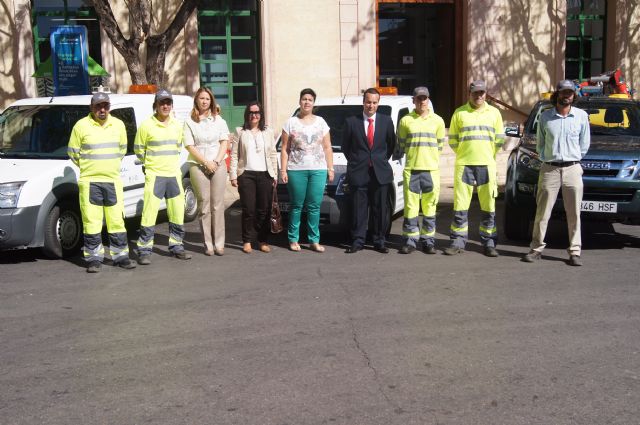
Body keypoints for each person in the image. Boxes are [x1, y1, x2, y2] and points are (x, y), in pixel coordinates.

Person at [522, 79, 590, 266]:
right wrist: (548, 158)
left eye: (570, 93)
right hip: (549, 168)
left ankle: (574, 252)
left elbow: (584, 145)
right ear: (557, 94)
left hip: (572, 169)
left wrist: (572, 159)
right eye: (563, 92)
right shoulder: (545, 116)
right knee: (542, 212)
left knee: (574, 212)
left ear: (574, 95)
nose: (567, 95)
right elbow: (540, 144)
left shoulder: (581, 116)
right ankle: (536, 249)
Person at [67, 92, 136, 273]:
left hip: (112, 179)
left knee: (116, 220)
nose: (102, 109)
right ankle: (94, 258)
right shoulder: (81, 126)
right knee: (92, 221)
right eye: (98, 106)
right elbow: (73, 153)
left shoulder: (118, 125)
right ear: (92, 108)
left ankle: (120, 256)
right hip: (90, 181)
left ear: (109, 107)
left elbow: (122, 149)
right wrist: (90, 167)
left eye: (105, 106)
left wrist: (108, 166)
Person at [444, 80, 505, 257]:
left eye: (482, 93)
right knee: (461, 205)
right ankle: (457, 241)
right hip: (465, 164)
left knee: (488, 205)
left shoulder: (494, 113)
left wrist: (486, 154)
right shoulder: (459, 113)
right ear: (469, 93)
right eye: (476, 93)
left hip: (486, 164)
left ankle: (489, 242)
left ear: (486, 94)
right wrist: (465, 153)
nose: (479, 96)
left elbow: (499, 140)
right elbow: (453, 140)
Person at [135, 89, 192, 264]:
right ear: (156, 106)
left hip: (173, 175)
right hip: (155, 175)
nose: (165, 106)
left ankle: (177, 246)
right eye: (162, 103)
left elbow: (179, 147)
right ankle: (144, 250)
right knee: (149, 214)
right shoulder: (146, 125)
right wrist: (151, 166)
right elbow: (138, 150)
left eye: (168, 103)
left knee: (176, 213)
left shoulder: (177, 125)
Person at [341, 88, 395, 253]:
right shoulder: (352, 122)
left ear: (378, 103)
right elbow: (346, 147)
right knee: (359, 208)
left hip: (380, 172)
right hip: (359, 172)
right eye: (368, 102)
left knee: (380, 208)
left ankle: (379, 240)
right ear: (363, 102)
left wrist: (379, 160)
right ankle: (358, 241)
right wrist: (358, 161)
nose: (371, 105)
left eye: (374, 102)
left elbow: (391, 145)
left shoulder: (386, 121)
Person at [280, 88, 334, 252]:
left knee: (314, 206)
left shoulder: (321, 122)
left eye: (310, 99)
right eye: (304, 99)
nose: (307, 102)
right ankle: (293, 239)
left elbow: (327, 147)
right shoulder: (290, 123)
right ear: (299, 101)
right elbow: (284, 149)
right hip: (296, 169)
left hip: (318, 169)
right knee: (296, 205)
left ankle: (314, 240)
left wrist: (330, 168)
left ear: (313, 103)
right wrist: (283, 170)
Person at [396, 86, 446, 254]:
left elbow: (439, 145)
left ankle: (428, 241)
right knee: (410, 207)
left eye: (424, 98)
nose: (422, 101)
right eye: (419, 98)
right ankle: (410, 241)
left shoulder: (438, 121)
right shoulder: (405, 121)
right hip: (412, 170)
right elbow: (401, 144)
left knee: (430, 207)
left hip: (430, 170)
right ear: (414, 100)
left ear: (428, 99)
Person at [184, 87, 230, 256]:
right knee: (204, 205)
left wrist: (216, 161)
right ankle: (208, 244)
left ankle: (219, 243)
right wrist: (205, 162)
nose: (204, 101)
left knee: (218, 205)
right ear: (196, 100)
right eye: (202, 98)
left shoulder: (219, 120)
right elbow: (190, 145)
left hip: (218, 163)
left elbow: (224, 142)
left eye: (208, 99)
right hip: (198, 165)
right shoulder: (189, 121)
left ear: (212, 101)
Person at [230, 102, 278, 254]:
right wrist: (233, 174)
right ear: (247, 114)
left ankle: (262, 240)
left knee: (263, 209)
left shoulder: (268, 131)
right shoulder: (240, 131)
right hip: (247, 174)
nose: (254, 115)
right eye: (251, 112)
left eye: (257, 112)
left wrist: (274, 175)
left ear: (261, 114)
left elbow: (272, 154)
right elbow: (234, 155)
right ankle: (247, 240)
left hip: (265, 174)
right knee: (249, 209)